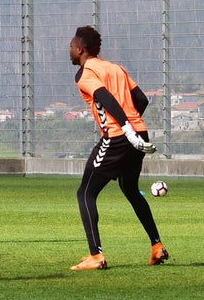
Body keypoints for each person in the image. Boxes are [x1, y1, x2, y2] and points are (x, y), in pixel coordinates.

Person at [68, 25, 168, 270]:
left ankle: (96, 255)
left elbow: (105, 98)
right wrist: (134, 126)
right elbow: (142, 99)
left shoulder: (86, 72)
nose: (69, 50)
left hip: (118, 136)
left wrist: (125, 127)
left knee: (86, 193)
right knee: (130, 188)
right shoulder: (116, 68)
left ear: (80, 49)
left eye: (71, 46)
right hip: (137, 131)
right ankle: (157, 245)